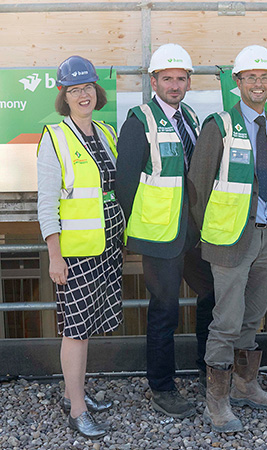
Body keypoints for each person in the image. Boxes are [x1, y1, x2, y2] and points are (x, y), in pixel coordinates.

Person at [188, 45, 267, 432]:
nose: (258, 84)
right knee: (225, 323)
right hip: (229, 241)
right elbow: (197, 188)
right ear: (238, 82)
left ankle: (246, 385)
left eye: (265, 78)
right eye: (251, 78)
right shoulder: (219, 125)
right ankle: (218, 403)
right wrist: (210, 236)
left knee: (252, 318)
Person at [115, 43, 215, 418]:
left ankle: (209, 369)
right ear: (153, 81)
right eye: (167, 79)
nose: (175, 85)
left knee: (212, 292)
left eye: (181, 78)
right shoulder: (139, 120)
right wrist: (133, 234)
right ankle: (162, 387)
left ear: (188, 82)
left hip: (191, 233)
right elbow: (124, 184)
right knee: (165, 311)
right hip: (159, 237)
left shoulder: (188, 116)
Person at [37, 55, 121, 438]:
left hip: (106, 246)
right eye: (74, 90)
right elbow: (47, 203)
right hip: (76, 251)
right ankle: (76, 408)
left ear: (96, 90)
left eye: (87, 87)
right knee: (74, 329)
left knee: (85, 327)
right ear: (64, 96)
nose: (83, 94)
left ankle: (77, 392)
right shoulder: (55, 137)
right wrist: (55, 255)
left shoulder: (105, 132)